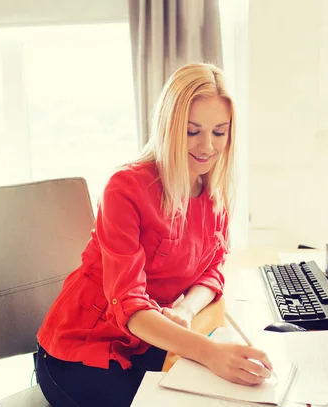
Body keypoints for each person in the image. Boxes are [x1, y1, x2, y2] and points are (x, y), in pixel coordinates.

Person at [35, 62, 272, 407]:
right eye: (193, 132)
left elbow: (213, 270)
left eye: (219, 132)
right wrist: (210, 353)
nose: (207, 146)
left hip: (152, 343)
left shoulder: (214, 192)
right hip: (80, 352)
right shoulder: (126, 188)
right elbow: (129, 306)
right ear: (170, 127)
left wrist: (187, 310)